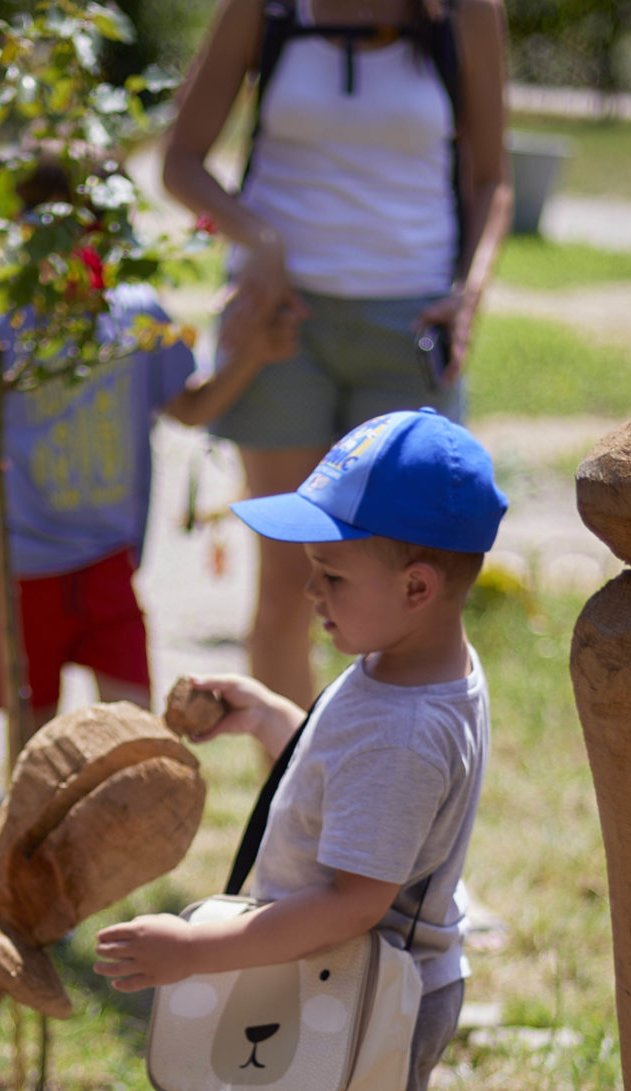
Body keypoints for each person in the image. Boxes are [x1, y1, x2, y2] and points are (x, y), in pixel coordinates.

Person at [94, 409, 500, 1091]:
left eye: (329, 575)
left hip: (353, 992)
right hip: (407, 983)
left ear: (416, 586)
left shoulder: (393, 723)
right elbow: (350, 793)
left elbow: (349, 900)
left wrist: (195, 946)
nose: (309, 594)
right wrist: (273, 716)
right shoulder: (413, 675)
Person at [161, 0, 511, 710]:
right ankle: (287, 803)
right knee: (290, 585)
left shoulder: (467, 12)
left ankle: (387, 795)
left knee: (407, 594)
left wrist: (468, 294)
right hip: (282, 326)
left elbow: (491, 180)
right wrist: (259, 241)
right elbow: (181, 162)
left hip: (409, 327)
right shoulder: (267, 9)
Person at [0, 165, 295, 735]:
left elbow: (189, 408)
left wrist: (251, 352)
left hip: (110, 557)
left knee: (133, 733)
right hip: (25, 565)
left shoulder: (136, 316)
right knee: (33, 743)